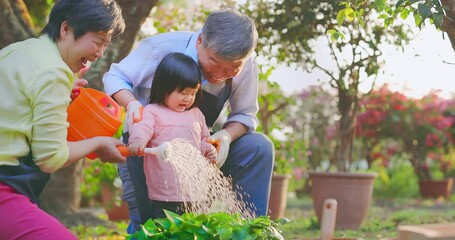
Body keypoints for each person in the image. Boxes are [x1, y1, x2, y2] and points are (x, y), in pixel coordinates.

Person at [103, 8, 274, 233]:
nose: (221, 75)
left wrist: (225, 136)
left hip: (200, 149)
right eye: (214, 62)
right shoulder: (161, 48)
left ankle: (248, 231)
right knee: (149, 225)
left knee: (259, 146)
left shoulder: (247, 64)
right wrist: (133, 104)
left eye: (233, 68)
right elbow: (115, 76)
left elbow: (245, 115)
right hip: (148, 149)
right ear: (200, 41)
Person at [0, 1, 126, 239]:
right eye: (98, 41)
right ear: (66, 29)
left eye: (105, 45)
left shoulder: (18, 50)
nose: (99, 53)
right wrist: (99, 143)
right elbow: (50, 157)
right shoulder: (54, 72)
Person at [127, 52, 217, 219]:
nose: (188, 98)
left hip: (195, 191)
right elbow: (142, 128)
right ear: (164, 88)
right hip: (164, 193)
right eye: (183, 92)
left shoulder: (196, 114)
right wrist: (137, 140)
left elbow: (203, 139)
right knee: (165, 230)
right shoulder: (153, 111)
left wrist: (208, 148)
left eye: (193, 93)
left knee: (192, 230)